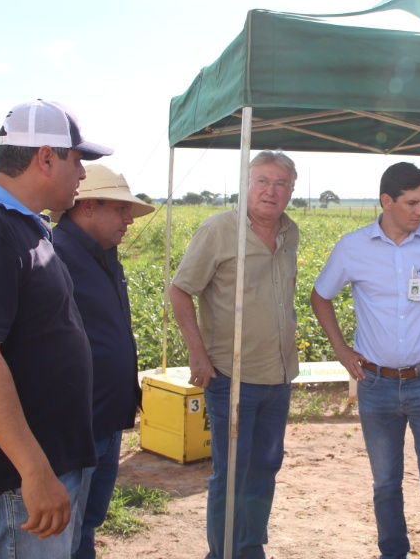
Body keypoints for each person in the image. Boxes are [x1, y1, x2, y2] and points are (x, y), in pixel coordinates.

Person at [0, 99, 112, 557]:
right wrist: (34, 470)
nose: (84, 174)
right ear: (46, 157)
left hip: (45, 467)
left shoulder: (25, 227)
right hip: (14, 481)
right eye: (78, 160)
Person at [310, 161, 420, 559]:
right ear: (386, 201)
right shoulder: (353, 248)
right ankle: (393, 553)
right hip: (376, 385)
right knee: (386, 484)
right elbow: (321, 297)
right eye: (411, 203)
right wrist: (341, 349)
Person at [169, 150, 299, 559]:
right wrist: (197, 355)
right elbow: (179, 290)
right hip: (232, 377)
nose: (270, 191)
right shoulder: (219, 230)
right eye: (262, 181)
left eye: (280, 183)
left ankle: (249, 548)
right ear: (247, 184)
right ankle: (222, 553)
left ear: (292, 190)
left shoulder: (290, 232)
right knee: (231, 475)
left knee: (264, 469)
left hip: (278, 377)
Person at [51, 164, 155, 559]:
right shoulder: (55, 255)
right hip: (76, 424)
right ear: (88, 207)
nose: (129, 219)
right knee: (66, 531)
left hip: (108, 417)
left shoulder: (106, 255)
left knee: (88, 523)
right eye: (121, 209)